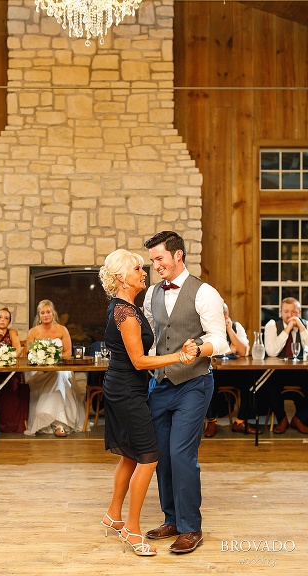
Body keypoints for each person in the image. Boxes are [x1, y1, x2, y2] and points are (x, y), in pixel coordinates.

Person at [98, 249, 197, 557]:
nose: (144, 272)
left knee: (129, 455)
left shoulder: (128, 307)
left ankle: (114, 515)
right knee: (149, 458)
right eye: (137, 268)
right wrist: (180, 356)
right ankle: (132, 528)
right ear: (120, 278)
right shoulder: (125, 312)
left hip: (126, 388)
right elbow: (140, 361)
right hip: (127, 390)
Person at [142, 231, 227, 554]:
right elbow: (153, 336)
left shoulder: (204, 293)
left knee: (181, 455)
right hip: (159, 384)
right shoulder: (151, 294)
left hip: (194, 383)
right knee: (161, 455)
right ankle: (172, 519)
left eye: (160, 258)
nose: (156, 266)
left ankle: (191, 527)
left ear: (178, 255)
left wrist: (201, 348)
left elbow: (220, 339)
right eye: (152, 261)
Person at [24, 299, 84, 438]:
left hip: (59, 367)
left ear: (53, 313)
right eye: (42, 313)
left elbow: (68, 353)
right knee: (58, 376)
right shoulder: (33, 332)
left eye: (48, 312)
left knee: (59, 375)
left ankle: (59, 423)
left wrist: (53, 359)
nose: (45, 315)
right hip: (39, 370)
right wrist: (43, 360)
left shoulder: (62, 330)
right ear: (39, 315)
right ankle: (55, 423)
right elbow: (29, 353)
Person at [204, 303, 255, 437]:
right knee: (208, 382)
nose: (222, 317)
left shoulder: (236, 327)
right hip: (214, 370)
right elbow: (207, 352)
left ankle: (240, 421)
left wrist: (230, 330)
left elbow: (243, 352)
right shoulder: (205, 328)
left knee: (250, 382)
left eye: (224, 313)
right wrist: (229, 349)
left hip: (234, 370)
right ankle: (211, 421)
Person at [263, 297, 308, 434]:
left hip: (302, 371)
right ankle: (281, 419)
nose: (290, 315)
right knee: (268, 385)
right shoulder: (272, 325)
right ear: (281, 313)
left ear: (299, 313)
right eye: (286, 312)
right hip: (278, 371)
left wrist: (301, 328)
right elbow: (271, 352)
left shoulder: (306, 325)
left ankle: (299, 418)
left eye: (294, 312)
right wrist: (287, 330)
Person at [0, 308, 29, 433]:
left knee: (12, 386)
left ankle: (10, 424)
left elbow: (18, 351)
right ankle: (0, 420)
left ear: (9, 322)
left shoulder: (12, 332)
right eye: (0, 317)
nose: (2, 320)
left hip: (10, 373)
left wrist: (5, 356)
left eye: (6, 318)